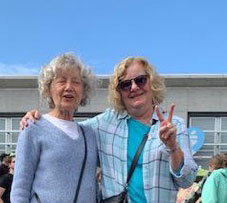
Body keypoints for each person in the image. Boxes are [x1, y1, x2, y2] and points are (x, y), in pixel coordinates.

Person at [20, 56, 198, 202]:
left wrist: (173, 147)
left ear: (152, 83)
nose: (134, 87)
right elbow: (64, 131)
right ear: (119, 92)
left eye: (140, 80)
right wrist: (38, 120)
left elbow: (187, 179)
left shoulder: (174, 124)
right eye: (125, 84)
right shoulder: (106, 123)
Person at [11, 53, 98, 203]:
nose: (69, 87)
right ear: (48, 89)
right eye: (61, 81)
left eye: (76, 82)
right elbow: (20, 187)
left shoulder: (89, 134)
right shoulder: (33, 128)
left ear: (83, 92)